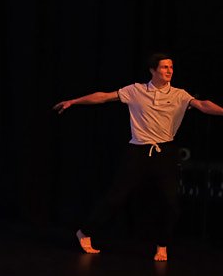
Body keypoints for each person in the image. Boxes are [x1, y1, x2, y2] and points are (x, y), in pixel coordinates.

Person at [54, 53, 223, 261]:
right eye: (164, 67)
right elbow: (104, 96)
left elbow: (203, 105)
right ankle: (85, 232)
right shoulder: (135, 90)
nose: (169, 71)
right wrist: (74, 101)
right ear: (153, 70)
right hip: (137, 152)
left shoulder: (179, 94)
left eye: (171, 67)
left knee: (170, 203)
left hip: (165, 152)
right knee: (116, 197)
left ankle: (162, 245)